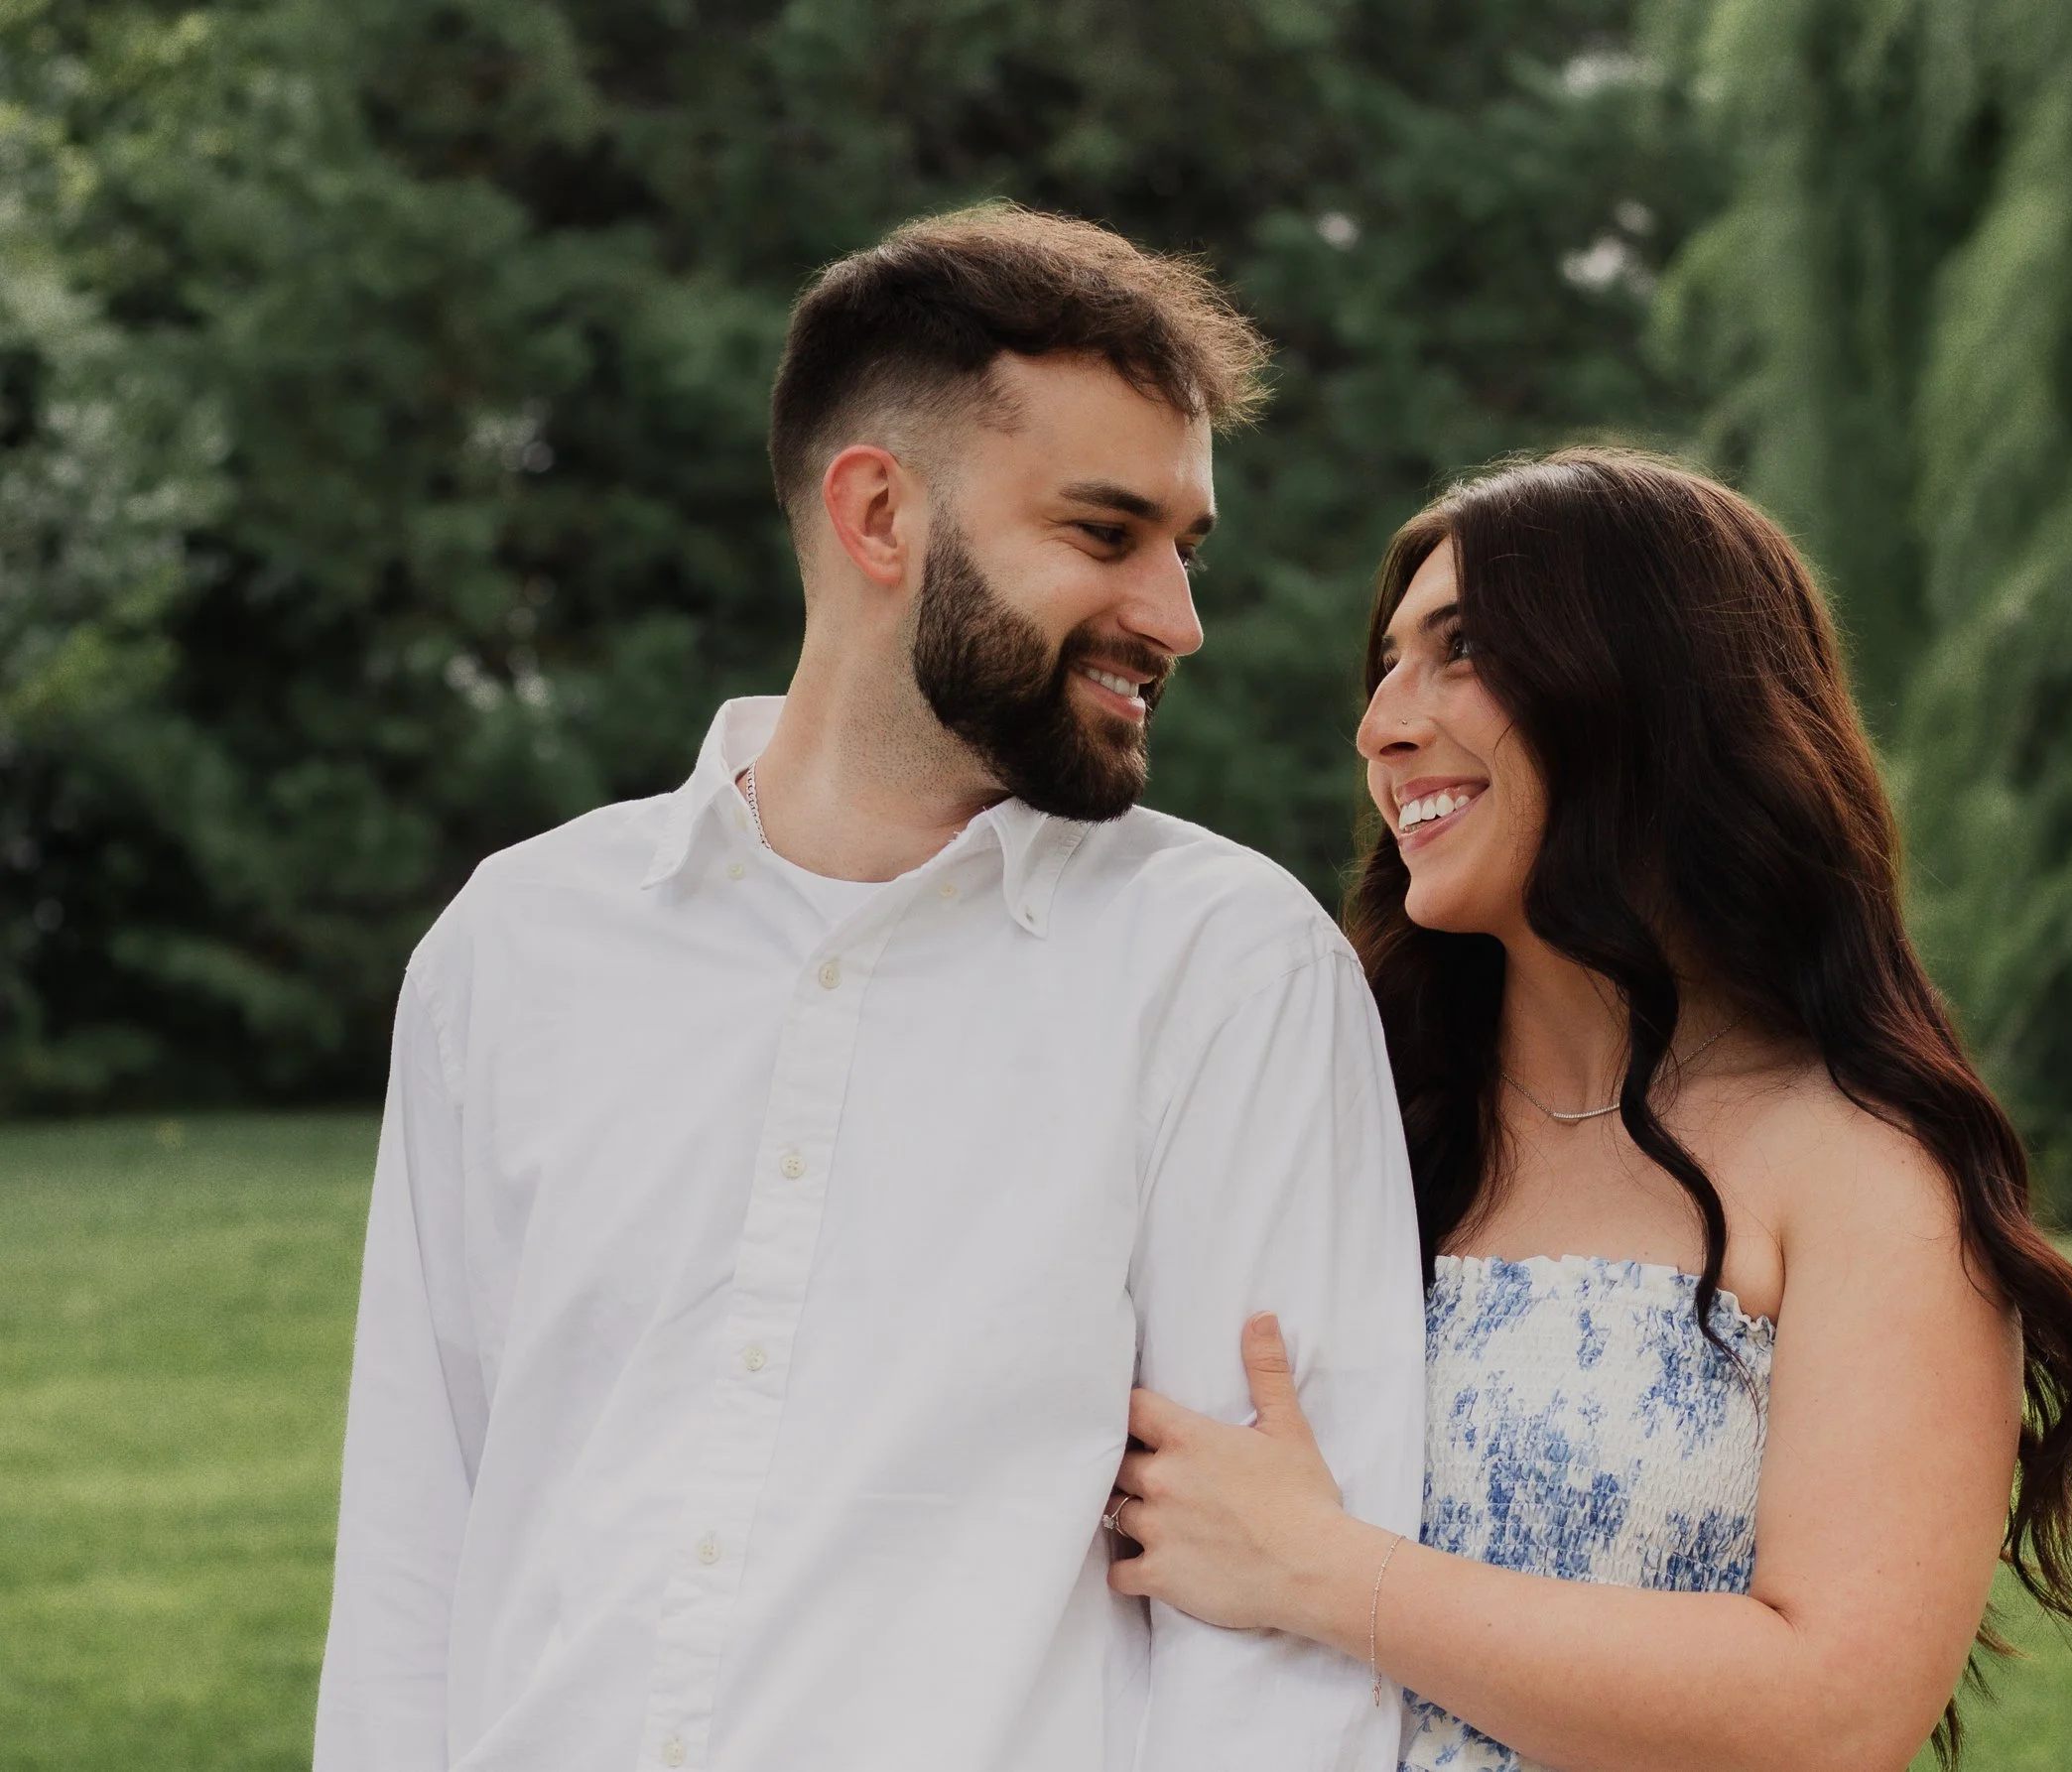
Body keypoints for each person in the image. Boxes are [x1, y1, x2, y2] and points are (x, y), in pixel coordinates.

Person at [312, 206, 1427, 1772]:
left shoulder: (1226, 968)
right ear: (880, 513)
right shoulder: (516, 947)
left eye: (1185, 547)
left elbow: (1281, 1652)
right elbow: (416, 1546)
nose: (1178, 616)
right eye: (1107, 534)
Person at [1099, 448, 2072, 1771]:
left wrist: (1322, 1569)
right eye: (1388, 665)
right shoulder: (1345, 1115)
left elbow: (1837, 1705)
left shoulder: (1862, 1165)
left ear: (1652, 694)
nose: (1383, 724)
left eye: (1461, 649)